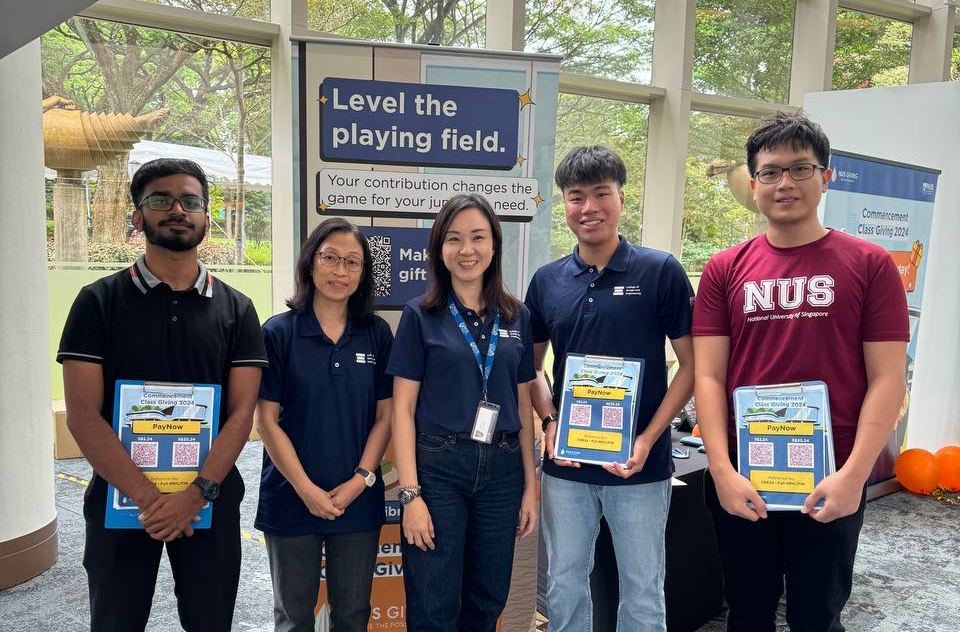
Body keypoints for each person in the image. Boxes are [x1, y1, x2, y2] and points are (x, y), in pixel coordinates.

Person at [692, 112, 908, 632]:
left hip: (831, 476)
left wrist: (854, 476)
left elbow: (887, 378)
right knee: (746, 613)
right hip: (746, 475)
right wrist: (721, 471)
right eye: (769, 172)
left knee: (817, 615)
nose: (784, 183)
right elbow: (708, 377)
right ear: (753, 182)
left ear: (826, 177)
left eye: (800, 169)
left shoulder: (871, 264)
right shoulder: (724, 269)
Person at [57, 158, 268, 632]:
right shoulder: (97, 302)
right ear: (137, 217)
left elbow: (240, 416)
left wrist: (193, 496)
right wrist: (151, 500)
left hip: (208, 501)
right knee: (115, 622)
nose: (178, 209)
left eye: (190, 201)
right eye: (160, 199)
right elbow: (84, 416)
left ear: (205, 217)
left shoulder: (237, 309)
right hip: (121, 500)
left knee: (210, 622)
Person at [527, 145, 695, 632]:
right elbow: (533, 370)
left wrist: (647, 439)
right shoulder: (547, 280)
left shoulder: (659, 270)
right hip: (569, 465)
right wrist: (550, 423)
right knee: (563, 582)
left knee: (642, 589)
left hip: (639, 467)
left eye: (602, 193)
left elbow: (690, 366)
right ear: (564, 205)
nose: (589, 207)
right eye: (576, 196)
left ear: (622, 197)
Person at [387, 193, 538, 632]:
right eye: (454, 239)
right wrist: (410, 495)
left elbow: (523, 403)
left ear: (494, 245)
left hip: (504, 469)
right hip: (439, 468)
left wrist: (530, 485)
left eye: (477, 237)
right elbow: (402, 410)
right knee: (433, 601)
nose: (466, 250)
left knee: (487, 598)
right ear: (439, 249)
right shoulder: (420, 314)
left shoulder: (517, 315)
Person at [254, 218, 394, 632]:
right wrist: (306, 490)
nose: (340, 271)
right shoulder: (278, 332)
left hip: (357, 501)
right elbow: (266, 420)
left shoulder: (377, 334)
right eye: (330, 258)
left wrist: (361, 480)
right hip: (291, 497)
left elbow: (386, 417)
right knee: (293, 618)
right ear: (310, 263)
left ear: (364, 273)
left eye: (353, 263)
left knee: (352, 616)